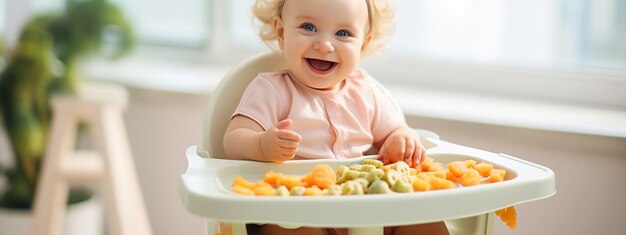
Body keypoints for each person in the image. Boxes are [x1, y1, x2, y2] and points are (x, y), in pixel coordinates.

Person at [223, 0, 449, 234]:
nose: (324, 45)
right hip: (297, 207)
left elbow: (395, 131)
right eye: (309, 27)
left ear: (363, 43)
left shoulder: (366, 91)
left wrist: (402, 139)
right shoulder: (272, 90)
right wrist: (262, 145)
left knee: (425, 222)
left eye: (343, 33)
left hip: (367, 207)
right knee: (288, 226)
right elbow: (233, 139)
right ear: (282, 32)